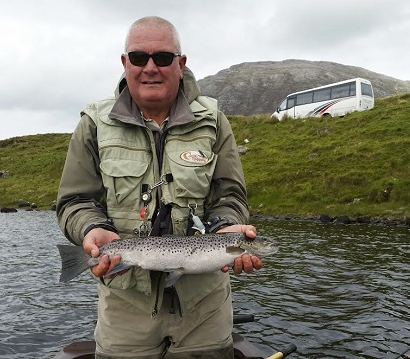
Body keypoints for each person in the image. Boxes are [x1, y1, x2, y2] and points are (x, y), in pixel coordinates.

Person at [56, 16, 262, 359]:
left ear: (181, 64)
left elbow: (230, 196)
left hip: (205, 306)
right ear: (125, 63)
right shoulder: (93, 124)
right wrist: (91, 228)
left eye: (163, 58)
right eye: (139, 58)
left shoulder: (213, 121)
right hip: (124, 303)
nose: (150, 67)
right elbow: (74, 201)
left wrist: (225, 225)